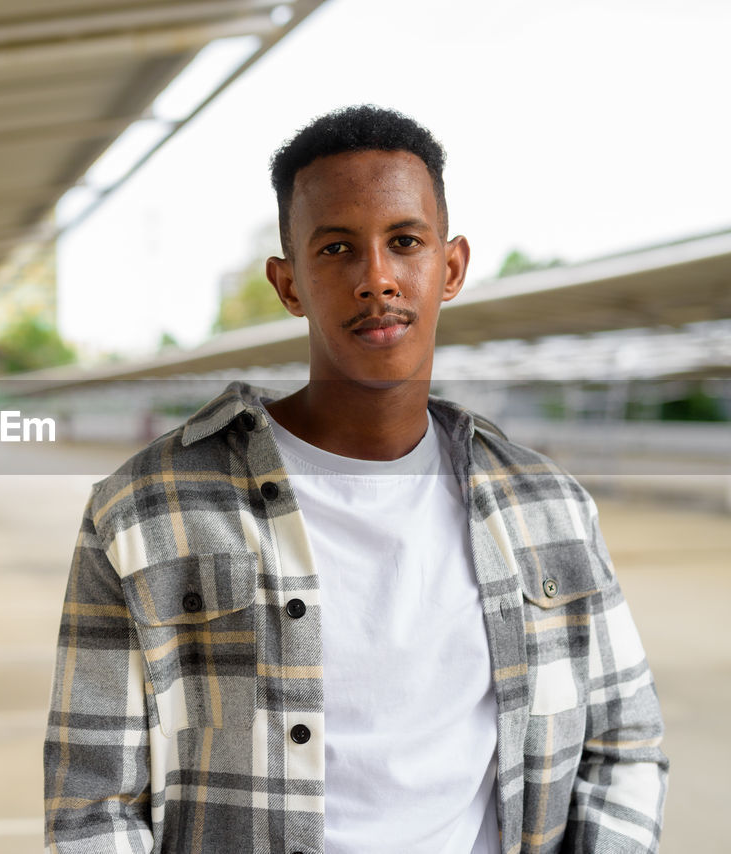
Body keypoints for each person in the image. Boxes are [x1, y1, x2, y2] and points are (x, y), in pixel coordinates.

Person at [42, 104, 668, 853]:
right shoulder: (142, 510)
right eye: (337, 248)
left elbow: (624, 746)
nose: (377, 278)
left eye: (405, 242)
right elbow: (93, 805)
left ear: (452, 267)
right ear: (289, 283)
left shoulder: (549, 509)